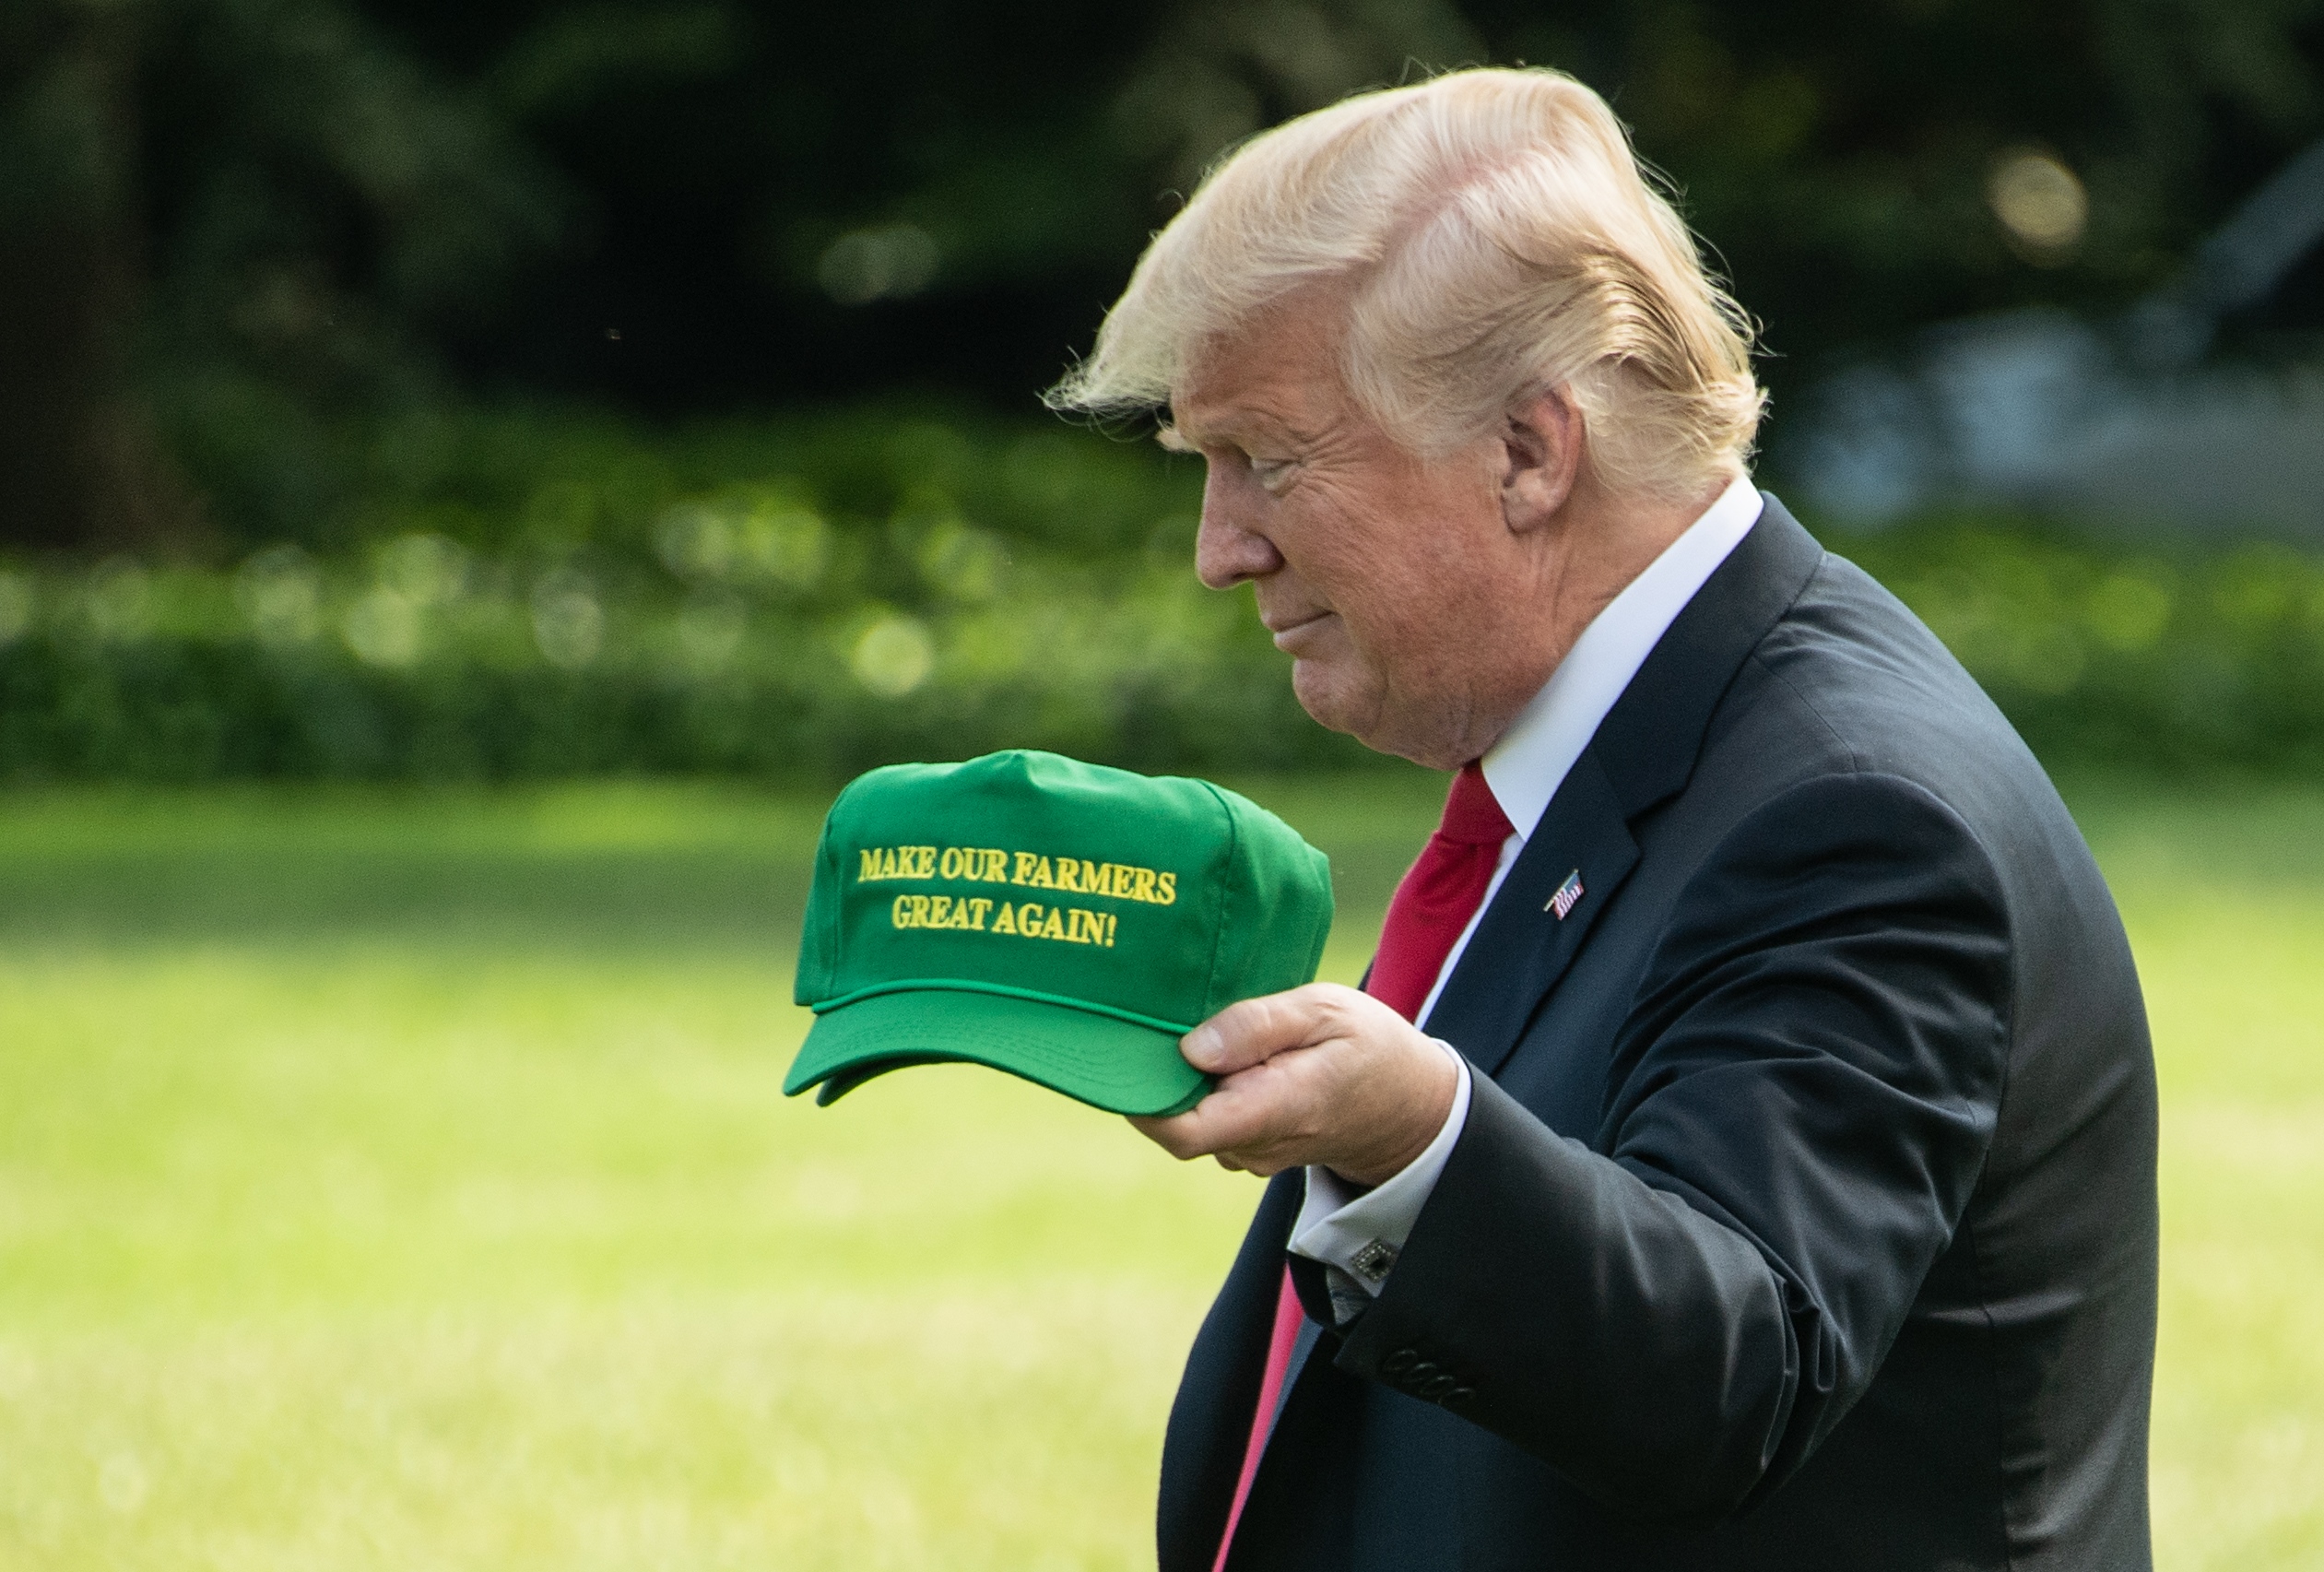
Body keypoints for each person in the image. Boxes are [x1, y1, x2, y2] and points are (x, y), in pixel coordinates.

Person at [1044, 66, 2157, 1572]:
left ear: (1527, 450)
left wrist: (1411, 1140)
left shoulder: (1850, 809)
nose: (1219, 549)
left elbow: (1735, 1369)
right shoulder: (1624, 745)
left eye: (1268, 459)